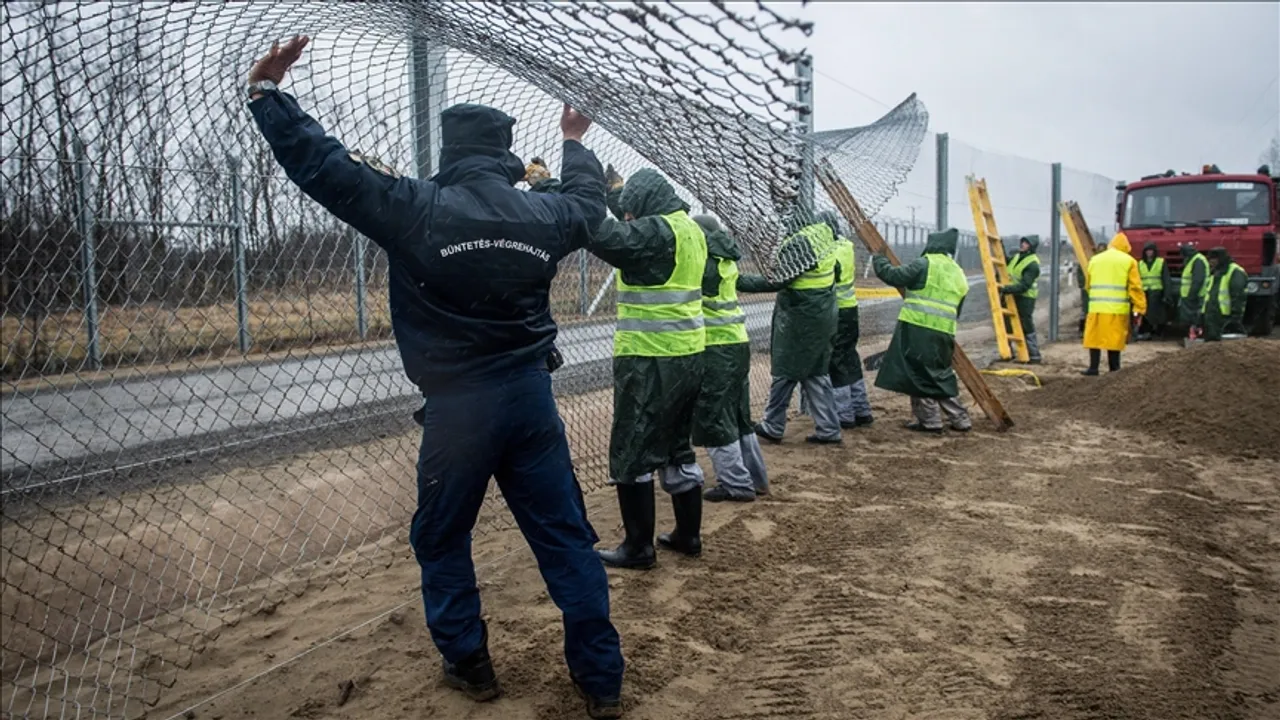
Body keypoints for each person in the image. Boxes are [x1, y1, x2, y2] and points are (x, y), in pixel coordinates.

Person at [245, 37, 624, 718]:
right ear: (507, 154)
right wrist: (574, 141)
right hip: (531, 400)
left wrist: (269, 97)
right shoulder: (543, 214)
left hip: (458, 413)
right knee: (565, 537)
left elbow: (325, 167)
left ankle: (470, 664)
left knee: (443, 536)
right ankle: (601, 682)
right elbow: (588, 203)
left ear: (448, 153)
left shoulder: (414, 206)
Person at [588, 168, 708, 570]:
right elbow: (634, 230)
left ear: (644, 209)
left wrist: (565, 189)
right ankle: (688, 535)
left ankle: (638, 547)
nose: (627, 219)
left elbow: (608, 236)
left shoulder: (656, 232)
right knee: (676, 446)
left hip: (649, 359)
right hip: (688, 356)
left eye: (630, 212)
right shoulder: (688, 228)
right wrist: (617, 194)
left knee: (633, 449)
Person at [742, 212, 843, 445]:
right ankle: (826, 427)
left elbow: (777, 279)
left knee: (788, 371)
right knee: (814, 373)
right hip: (819, 313)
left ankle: (774, 424)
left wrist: (737, 280)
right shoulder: (822, 236)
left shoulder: (801, 243)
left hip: (802, 319)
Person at [690, 214, 769, 502]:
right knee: (737, 415)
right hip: (737, 343)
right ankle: (756, 478)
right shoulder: (726, 258)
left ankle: (736, 484)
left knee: (714, 415)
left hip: (715, 348)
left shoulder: (704, 263)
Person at [872, 228, 972, 434]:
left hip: (918, 329)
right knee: (940, 374)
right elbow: (958, 308)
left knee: (916, 373)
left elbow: (894, 276)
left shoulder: (925, 263)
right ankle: (960, 418)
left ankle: (931, 421)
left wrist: (879, 259)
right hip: (944, 332)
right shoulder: (958, 272)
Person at [828, 228, 875, 428]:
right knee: (849, 357)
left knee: (836, 361)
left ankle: (844, 414)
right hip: (850, 309)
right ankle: (861, 409)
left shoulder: (828, 250)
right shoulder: (847, 246)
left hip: (835, 310)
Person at [1082, 232, 1146, 375]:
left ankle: (1093, 368)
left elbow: (1088, 285)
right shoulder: (1129, 261)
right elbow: (1135, 288)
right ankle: (1114, 369)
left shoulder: (1095, 260)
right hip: (1116, 309)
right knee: (1114, 340)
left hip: (1096, 307)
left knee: (1094, 338)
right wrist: (1139, 308)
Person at [998, 235, 1042, 363]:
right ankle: (1008, 352)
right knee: (1007, 323)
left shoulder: (1033, 264)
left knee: (1025, 324)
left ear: (1031, 246)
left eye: (1026, 243)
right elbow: (1004, 261)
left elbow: (1024, 286)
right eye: (1023, 242)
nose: (1023, 244)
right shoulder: (1017, 257)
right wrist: (999, 246)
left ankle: (1034, 355)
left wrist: (1005, 289)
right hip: (1013, 295)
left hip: (1025, 298)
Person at [1200, 247, 1248, 341]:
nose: (1210, 262)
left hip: (1225, 317)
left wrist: (1235, 316)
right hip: (1212, 316)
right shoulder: (1216, 272)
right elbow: (1209, 295)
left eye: (1213, 259)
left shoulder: (1235, 272)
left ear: (1220, 259)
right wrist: (1202, 313)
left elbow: (1238, 296)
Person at [1135, 242, 1171, 339]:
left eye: (1151, 250)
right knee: (1145, 314)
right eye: (1147, 251)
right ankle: (1146, 332)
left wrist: (1167, 294)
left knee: (1158, 315)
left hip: (1157, 293)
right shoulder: (1140, 264)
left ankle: (1158, 333)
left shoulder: (1160, 262)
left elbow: (1166, 279)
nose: (1149, 253)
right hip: (1144, 292)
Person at [1177, 243, 1210, 333]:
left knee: (1195, 318)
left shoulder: (1197, 261)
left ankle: (1196, 334)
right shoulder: (1194, 259)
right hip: (1192, 294)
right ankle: (1194, 333)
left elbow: (1197, 280)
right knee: (1192, 318)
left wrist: (1191, 295)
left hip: (1197, 295)